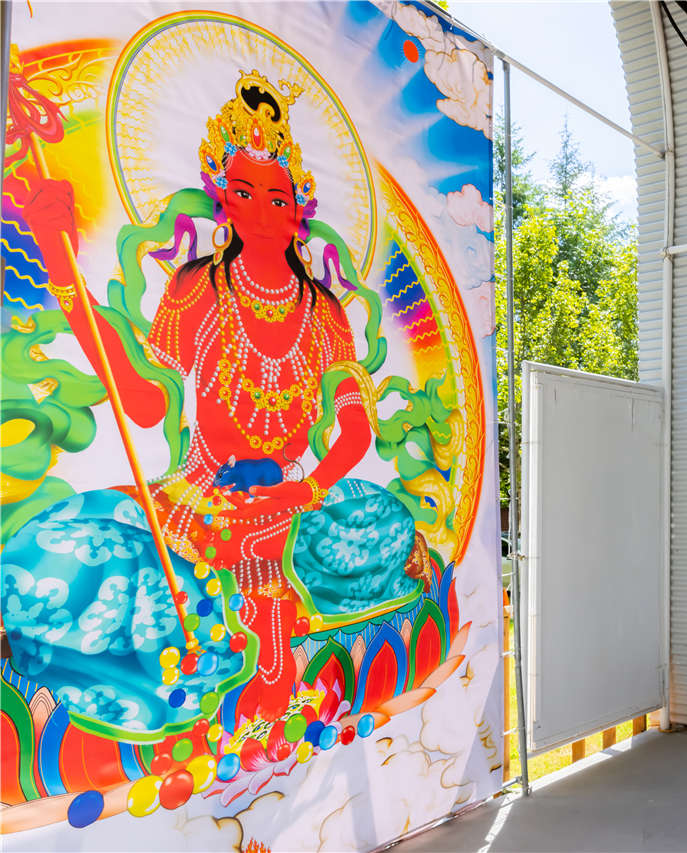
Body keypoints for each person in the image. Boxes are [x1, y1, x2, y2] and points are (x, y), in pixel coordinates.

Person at [5, 72, 421, 730]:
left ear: (300, 207)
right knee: (57, 550)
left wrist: (303, 489)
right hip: (201, 499)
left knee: (386, 522)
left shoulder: (325, 311)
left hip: (297, 502)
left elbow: (355, 432)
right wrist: (63, 274)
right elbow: (145, 402)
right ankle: (221, 646)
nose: (262, 210)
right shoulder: (198, 287)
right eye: (244, 192)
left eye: (278, 196)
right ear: (222, 199)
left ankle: (245, 644)